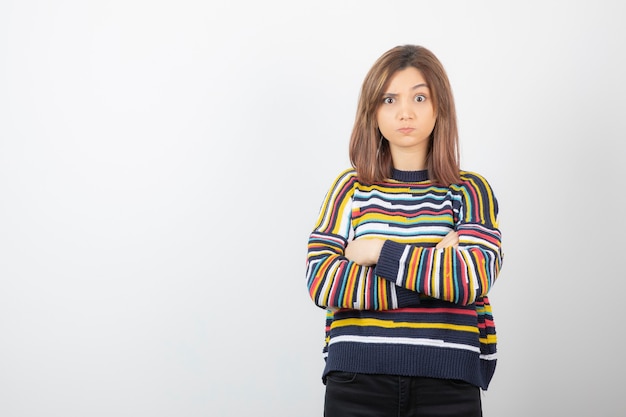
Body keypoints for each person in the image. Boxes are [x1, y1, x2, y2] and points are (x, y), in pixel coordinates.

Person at [305, 44, 504, 417]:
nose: (405, 112)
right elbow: (322, 281)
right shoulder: (350, 188)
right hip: (356, 382)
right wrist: (434, 276)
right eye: (390, 99)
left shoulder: (470, 190)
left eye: (419, 97)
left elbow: (472, 278)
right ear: (373, 110)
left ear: (439, 105)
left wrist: (378, 251)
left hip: (447, 384)